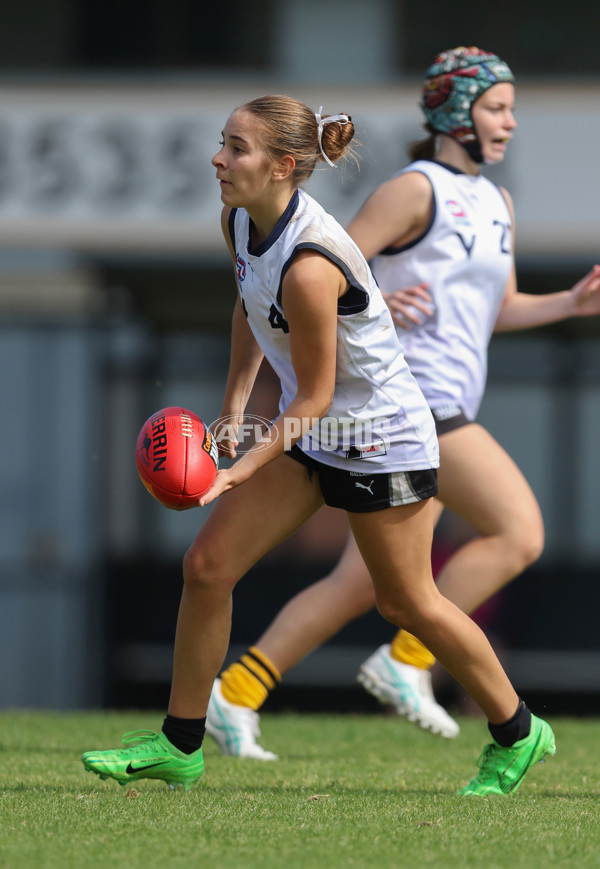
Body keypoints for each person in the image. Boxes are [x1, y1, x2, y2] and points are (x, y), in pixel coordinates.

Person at [81, 91, 555, 797]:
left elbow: (314, 397)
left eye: (236, 148)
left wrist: (241, 469)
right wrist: (234, 401)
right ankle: (181, 743)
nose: (218, 157)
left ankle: (520, 730)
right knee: (207, 566)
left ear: (283, 166)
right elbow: (247, 300)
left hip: (381, 438)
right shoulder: (239, 220)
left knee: (410, 603)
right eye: (223, 141)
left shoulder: (311, 262)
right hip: (316, 432)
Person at [203, 47, 600, 765]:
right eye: (496, 107)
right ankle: (413, 660)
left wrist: (571, 303)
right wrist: (378, 298)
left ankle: (235, 692)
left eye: (510, 108)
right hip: (412, 400)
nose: (510, 121)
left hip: (423, 409)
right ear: (457, 111)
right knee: (519, 533)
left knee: (369, 583)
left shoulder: (497, 201)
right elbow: (324, 269)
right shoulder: (417, 188)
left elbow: (496, 307)